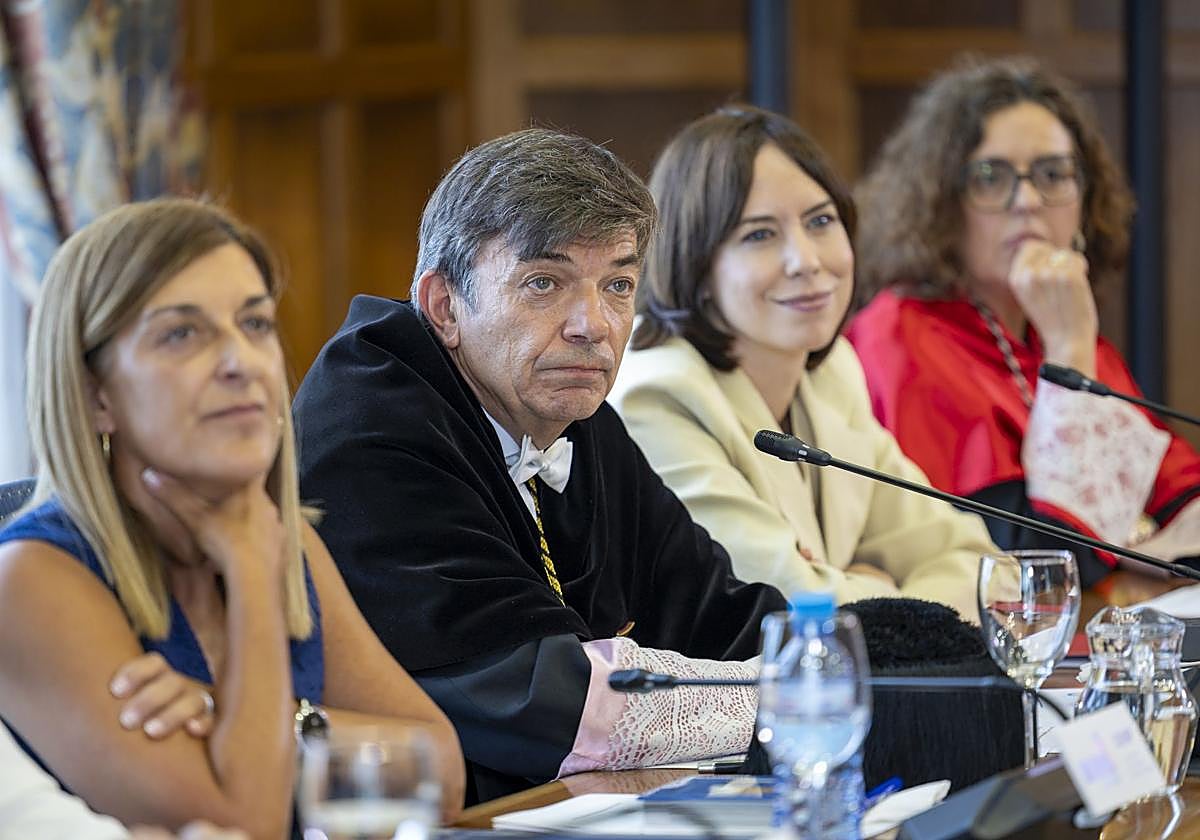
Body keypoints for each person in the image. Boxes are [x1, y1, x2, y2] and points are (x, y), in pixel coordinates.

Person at [293, 128, 788, 803]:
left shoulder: (577, 416)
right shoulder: (368, 426)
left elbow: (717, 612)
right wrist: (799, 699)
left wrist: (887, 660)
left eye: (617, 285)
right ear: (444, 306)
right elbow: (543, 702)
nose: (593, 325)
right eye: (544, 284)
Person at [0, 199, 465, 838]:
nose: (240, 361)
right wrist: (249, 573)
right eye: (182, 334)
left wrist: (226, 708)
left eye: (255, 323)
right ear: (95, 394)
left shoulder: (283, 537)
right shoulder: (31, 580)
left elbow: (437, 771)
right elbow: (247, 828)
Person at [607, 105, 993, 621]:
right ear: (696, 264)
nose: (807, 260)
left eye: (821, 221)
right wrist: (875, 585)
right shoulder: (657, 395)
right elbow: (782, 605)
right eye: (759, 235)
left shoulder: (830, 374)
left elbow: (982, 566)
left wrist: (859, 589)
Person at [847, 55, 1200, 587]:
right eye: (990, 178)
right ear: (942, 202)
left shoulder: (1049, 325)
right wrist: (1069, 349)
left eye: (1053, 174)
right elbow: (1039, 568)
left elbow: (1179, 491)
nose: (1028, 201)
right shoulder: (900, 336)